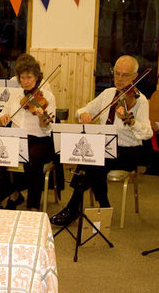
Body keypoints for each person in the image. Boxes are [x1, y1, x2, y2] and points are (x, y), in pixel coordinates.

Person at [51, 55, 152, 226]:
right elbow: (83, 110)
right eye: (117, 73)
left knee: (93, 162)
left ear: (135, 76)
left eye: (125, 75)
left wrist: (132, 121)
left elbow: (147, 133)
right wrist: (83, 114)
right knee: (94, 161)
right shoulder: (108, 94)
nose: (119, 79)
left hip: (128, 151)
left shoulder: (140, 101)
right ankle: (102, 207)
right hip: (106, 149)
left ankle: (74, 208)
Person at [0, 54, 56, 210]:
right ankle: (14, 193)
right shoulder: (15, 96)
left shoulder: (47, 97)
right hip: (17, 139)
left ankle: (33, 205)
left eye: (29, 77)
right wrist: (1, 120)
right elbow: (0, 116)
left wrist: (42, 117)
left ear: (36, 77)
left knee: (33, 158)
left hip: (40, 140)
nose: (26, 81)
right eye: (22, 78)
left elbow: (48, 127)